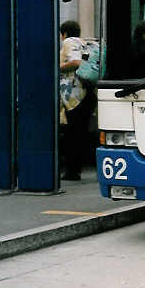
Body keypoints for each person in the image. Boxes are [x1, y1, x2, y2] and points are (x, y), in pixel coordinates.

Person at [59, 20, 93, 181]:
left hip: (73, 96)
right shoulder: (85, 43)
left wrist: (56, 67)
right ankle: (76, 168)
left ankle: (72, 171)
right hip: (87, 93)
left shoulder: (68, 42)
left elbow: (75, 62)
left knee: (71, 134)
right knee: (81, 133)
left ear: (64, 33)